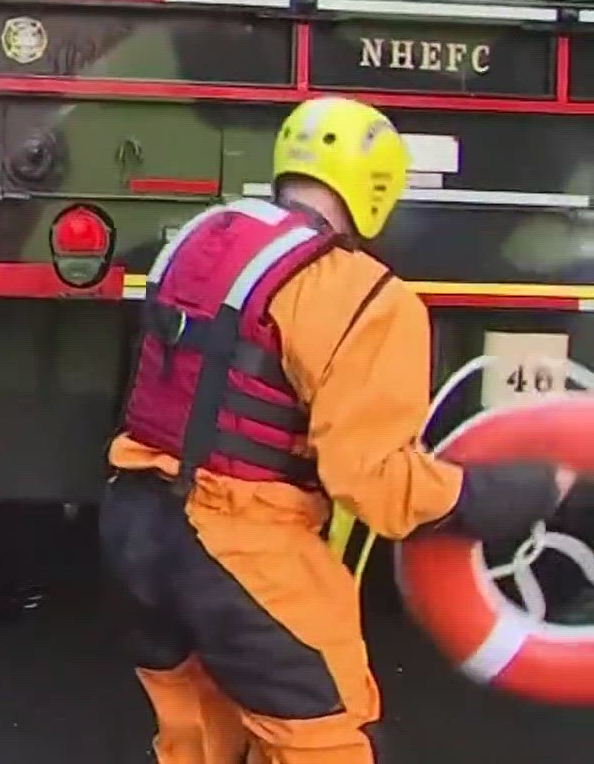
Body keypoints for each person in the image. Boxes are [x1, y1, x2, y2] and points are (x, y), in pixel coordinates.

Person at [99, 95, 578, 763]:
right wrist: (527, 491)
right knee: (325, 743)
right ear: (379, 189)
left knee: (199, 740)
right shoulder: (364, 295)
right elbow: (376, 485)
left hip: (135, 532)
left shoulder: (202, 238)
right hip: (242, 551)